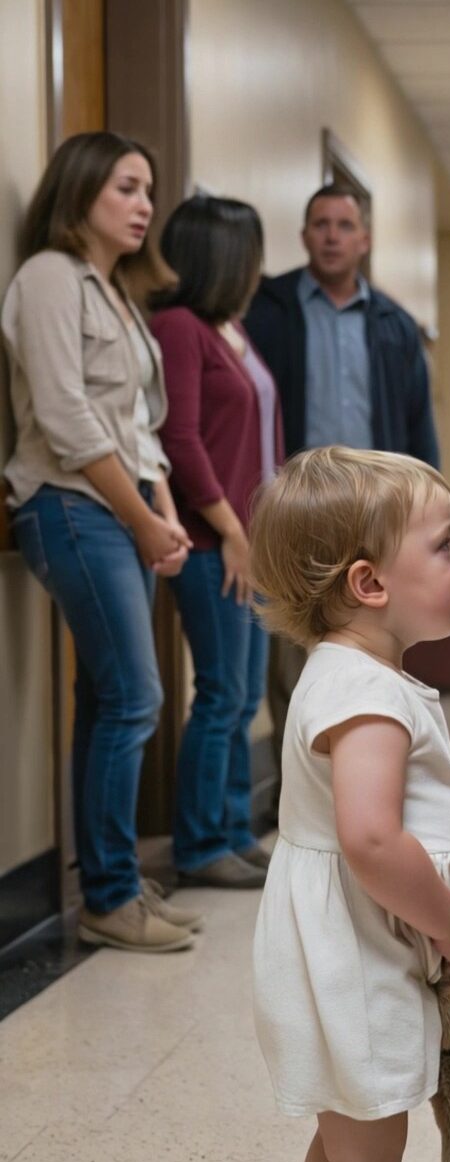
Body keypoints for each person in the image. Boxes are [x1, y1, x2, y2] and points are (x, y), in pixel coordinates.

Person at [248, 446, 450, 1162]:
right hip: (356, 949)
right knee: (366, 1150)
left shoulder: (344, 671)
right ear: (370, 582)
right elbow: (374, 841)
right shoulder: (368, 696)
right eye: (448, 545)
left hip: (332, 942)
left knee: (344, 1140)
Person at [2, 131, 201, 953]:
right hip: (70, 507)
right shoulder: (50, 278)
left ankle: (111, 881)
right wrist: (143, 517)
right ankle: (111, 896)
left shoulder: (122, 296)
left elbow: (141, 430)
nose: (144, 205)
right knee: (137, 697)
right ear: (80, 190)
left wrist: (164, 514)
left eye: (148, 189)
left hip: (118, 513)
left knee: (107, 697)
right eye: (126, 187)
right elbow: (66, 417)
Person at [243, 184, 441, 777]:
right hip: (297, 507)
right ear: (304, 237)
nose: (331, 235)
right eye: (320, 224)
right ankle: (298, 785)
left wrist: (428, 507)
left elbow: (416, 422)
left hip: (374, 514)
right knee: (291, 652)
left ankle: (368, 777)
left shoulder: (393, 325)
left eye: (343, 225)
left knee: (374, 640)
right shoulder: (268, 310)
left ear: (365, 239)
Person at [150, 195, 284, 890]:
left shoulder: (232, 329)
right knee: (222, 691)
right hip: (211, 543)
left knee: (242, 694)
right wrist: (232, 531)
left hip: (252, 544)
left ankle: (233, 829)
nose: (260, 268)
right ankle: (201, 844)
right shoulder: (179, 328)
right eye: (252, 252)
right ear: (224, 257)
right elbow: (179, 439)